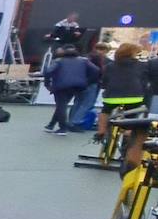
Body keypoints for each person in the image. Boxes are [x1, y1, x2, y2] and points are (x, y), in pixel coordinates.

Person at [97, 42, 158, 172]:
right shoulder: (141, 65)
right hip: (134, 96)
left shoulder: (110, 65)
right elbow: (144, 79)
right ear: (132, 52)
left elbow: (104, 81)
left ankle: (101, 131)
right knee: (134, 117)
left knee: (105, 110)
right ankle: (128, 135)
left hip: (112, 96)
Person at [42, 45, 98, 135]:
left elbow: (48, 71)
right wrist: (87, 81)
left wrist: (47, 84)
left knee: (61, 106)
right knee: (62, 106)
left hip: (61, 86)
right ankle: (51, 124)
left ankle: (62, 128)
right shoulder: (83, 60)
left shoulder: (58, 61)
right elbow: (96, 70)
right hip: (77, 86)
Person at [70, 42, 111, 129]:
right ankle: (77, 121)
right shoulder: (100, 59)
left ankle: (71, 121)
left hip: (80, 83)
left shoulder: (85, 57)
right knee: (87, 103)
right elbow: (99, 72)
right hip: (93, 83)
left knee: (78, 102)